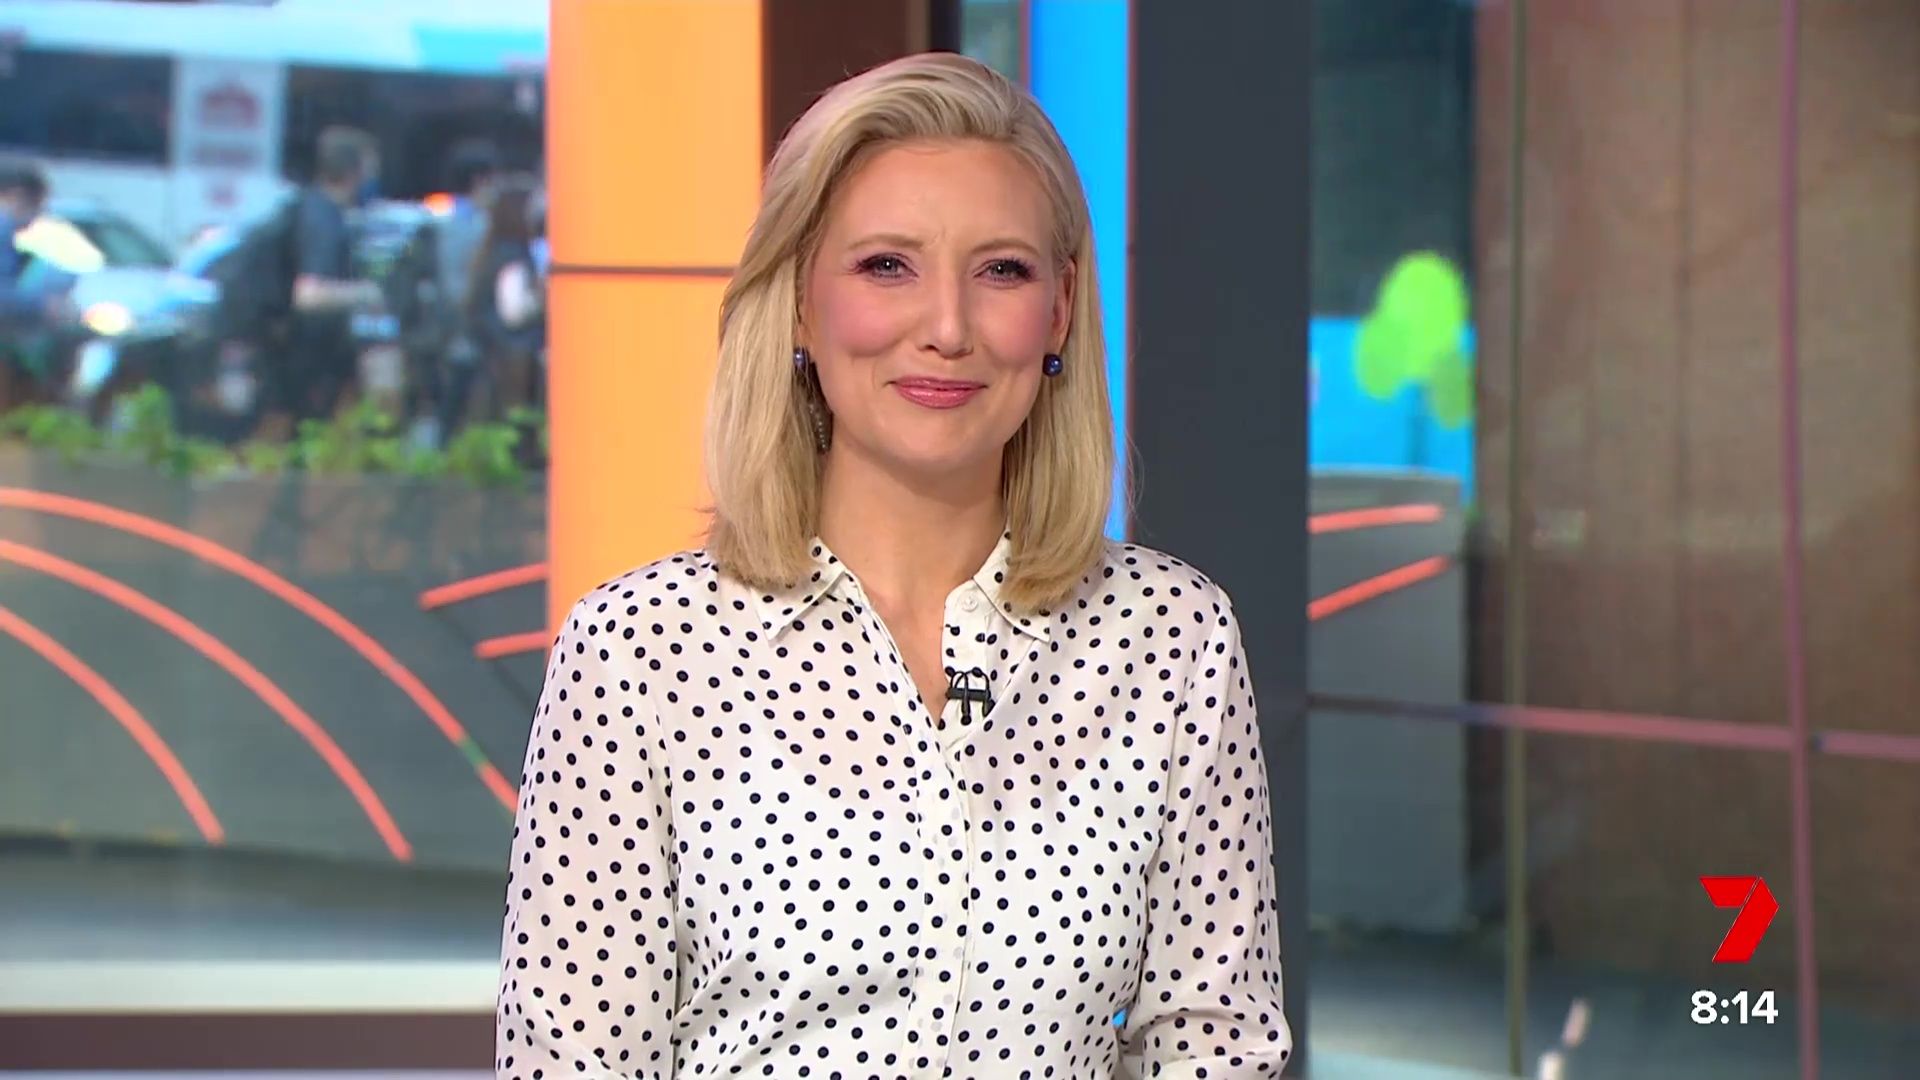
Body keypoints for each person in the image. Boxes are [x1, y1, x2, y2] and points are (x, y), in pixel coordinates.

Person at [496, 53, 1293, 1079]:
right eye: (887, 267)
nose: (947, 328)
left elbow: (1217, 1045)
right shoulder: (638, 653)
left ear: (1058, 312)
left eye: (1001, 272)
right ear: (799, 302)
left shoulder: (1172, 636)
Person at [283, 125, 384, 422]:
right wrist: (366, 293)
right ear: (353, 172)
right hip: (298, 351)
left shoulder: (315, 208)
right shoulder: (324, 219)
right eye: (370, 170)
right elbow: (309, 295)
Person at [444, 175, 543, 437]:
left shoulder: (491, 252)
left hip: (493, 354)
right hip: (511, 357)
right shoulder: (512, 256)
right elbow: (514, 311)